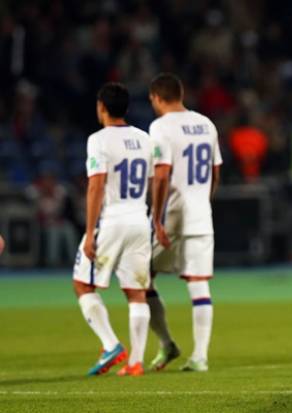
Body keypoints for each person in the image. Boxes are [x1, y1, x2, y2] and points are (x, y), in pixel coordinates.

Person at [72, 82, 153, 377]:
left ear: (101, 107)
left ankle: (110, 345)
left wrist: (90, 231)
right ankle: (136, 362)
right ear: (127, 108)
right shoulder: (144, 138)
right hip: (139, 219)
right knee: (136, 292)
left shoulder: (99, 140)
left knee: (82, 284)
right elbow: (155, 180)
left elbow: (96, 185)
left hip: (113, 220)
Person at [147, 73, 222, 373]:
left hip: (172, 214)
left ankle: (166, 343)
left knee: (141, 277)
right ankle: (200, 357)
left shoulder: (160, 126)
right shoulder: (206, 124)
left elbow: (162, 173)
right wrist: (205, 200)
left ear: (156, 97)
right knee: (198, 283)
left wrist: (156, 217)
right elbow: (216, 172)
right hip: (201, 212)